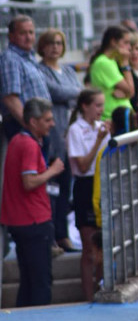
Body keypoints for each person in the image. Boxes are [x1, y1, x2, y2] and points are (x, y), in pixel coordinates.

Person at [0, 98, 64, 307]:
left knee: (28, 281)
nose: (52, 124)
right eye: (47, 120)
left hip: (21, 221)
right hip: (33, 220)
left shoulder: (18, 141)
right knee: (40, 283)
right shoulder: (28, 144)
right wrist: (52, 171)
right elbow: (28, 182)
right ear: (34, 122)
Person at [37, 28, 83, 252]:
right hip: (51, 138)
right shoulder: (40, 71)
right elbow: (55, 92)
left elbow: (76, 96)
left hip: (69, 136)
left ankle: (63, 235)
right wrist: (74, 93)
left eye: (58, 43)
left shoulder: (68, 70)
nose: (55, 47)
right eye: (51, 43)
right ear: (43, 47)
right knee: (51, 190)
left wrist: (72, 93)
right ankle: (51, 237)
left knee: (66, 187)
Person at [66, 89, 110, 301]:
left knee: (104, 247)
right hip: (85, 186)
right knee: (89, 250)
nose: (101, 110)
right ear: (85, 106)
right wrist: (98, 140)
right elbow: (82, 166)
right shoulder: (75, 130)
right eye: (98, 105)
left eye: (102, 105)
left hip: (102, 184)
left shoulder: (102, 127)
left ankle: (102, 290)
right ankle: (88, 296)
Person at [0, 15, 52, 141]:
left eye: (31, 32)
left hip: (38, 125)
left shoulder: (29, 58)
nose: (28, 37)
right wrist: (29, 126)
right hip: (23, 126)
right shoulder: (10, 59)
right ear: (11, 36)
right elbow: (11, 98)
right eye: (23, 33)